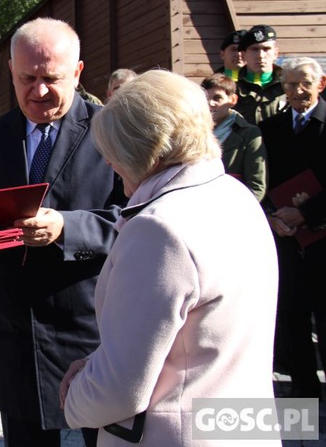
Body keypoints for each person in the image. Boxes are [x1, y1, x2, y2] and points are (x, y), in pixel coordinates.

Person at [60, 70, 278, 446]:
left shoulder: (160, 229)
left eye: (113, 151)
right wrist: (98, 363)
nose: (109, 164)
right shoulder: (235, 195)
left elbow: (121, 390)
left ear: (145, 150)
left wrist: (75, 396)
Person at [0, 17, 125, 447]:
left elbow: (137, 218)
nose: (38, 91)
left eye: (51, 79)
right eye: (25, 78)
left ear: (78, 72)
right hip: (15, 328)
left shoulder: (114, 132)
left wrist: (68, 227)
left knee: (106, 438)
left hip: (91, 323)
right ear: (10, 72)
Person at [260, 57, 326, 399]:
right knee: (291, 320)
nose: (296, 91)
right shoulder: (272, 129)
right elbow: (262, 181)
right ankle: (304, 399)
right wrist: (274, 216)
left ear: (321, 85)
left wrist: (308, 213)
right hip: (285, 239)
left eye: (304, 84)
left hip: (322, 238)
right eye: (289, 85)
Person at [201, 73, 266, 201]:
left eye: (217, 98)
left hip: (234, 206)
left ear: (233, 100)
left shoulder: (249, 133)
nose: (210, 104)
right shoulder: (194, 132)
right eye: (206, 99)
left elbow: (257, 186)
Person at [235, 24, 287, 124]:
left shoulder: (289, 85)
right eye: (254, 49)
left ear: (276, 53)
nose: (260, 55)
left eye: (266, 49)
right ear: (243, 55)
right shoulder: (232, 88)